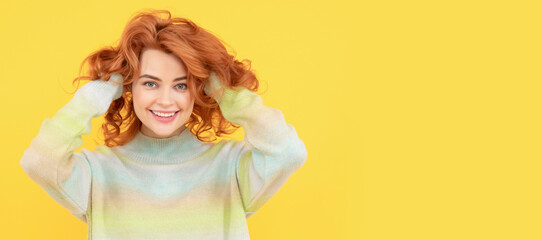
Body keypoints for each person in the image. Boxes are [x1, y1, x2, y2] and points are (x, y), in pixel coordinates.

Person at [20, 9, 307, 239]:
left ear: (200, 89)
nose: (166, 100)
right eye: (150, 83)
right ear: (129, 86)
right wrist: (100, 92)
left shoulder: (229, 168)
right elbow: (39, 161)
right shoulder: (99, 173)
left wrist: (226, 93)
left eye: (181, 86)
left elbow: (288, 152)